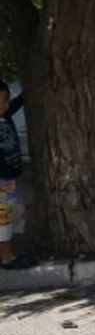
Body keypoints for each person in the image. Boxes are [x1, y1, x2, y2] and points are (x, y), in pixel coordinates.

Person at [0, 81, 35, 269]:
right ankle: (6, 257)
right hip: (2, 183)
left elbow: (14, 105)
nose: (2, 105)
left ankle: (11, 252)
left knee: (15, 218)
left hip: (13, 179)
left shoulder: (6, 117)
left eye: (5, 100)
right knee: (2, 223)